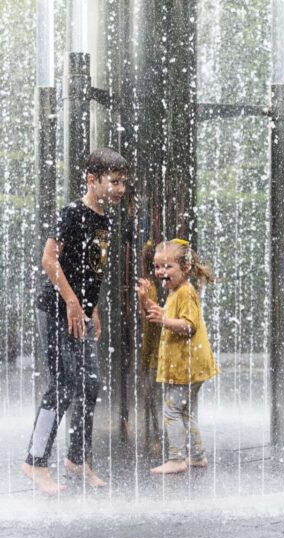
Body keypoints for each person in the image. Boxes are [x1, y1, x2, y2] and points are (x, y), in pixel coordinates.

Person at [22, 147, 129, 495]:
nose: (119, 189)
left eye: (124, 182)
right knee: (64, 383)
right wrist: (71, 301)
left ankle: (77, 459)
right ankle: (34, 461)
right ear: (91, 179)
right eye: (114, 182)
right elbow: (49, 260)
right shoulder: (72, 213)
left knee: (90, 383)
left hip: (78, 310)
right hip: (54, 309)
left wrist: (90, 306)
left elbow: (93, 271)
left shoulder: (105, 221)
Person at [136, 238, 218, 474]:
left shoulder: (186, 293)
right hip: (189, 365)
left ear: (186, 268)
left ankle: (176, 458)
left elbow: (189, 325)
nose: (160, 272)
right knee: (186, 411)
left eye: (167, 266)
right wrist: (146, 300)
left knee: (172, 410)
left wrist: (164, 320)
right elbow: (163, 315)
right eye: (157, 267)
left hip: (187, 365)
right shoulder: (175, 292)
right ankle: (197, 455)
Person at [139, 240, 162, 454]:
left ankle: (157, 438)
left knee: (154, 396)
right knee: (153, 396)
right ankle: (155, 436)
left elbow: (153, 324)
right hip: (154, 355)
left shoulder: (152, 288)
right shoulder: (151, 286)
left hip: (157, 355)